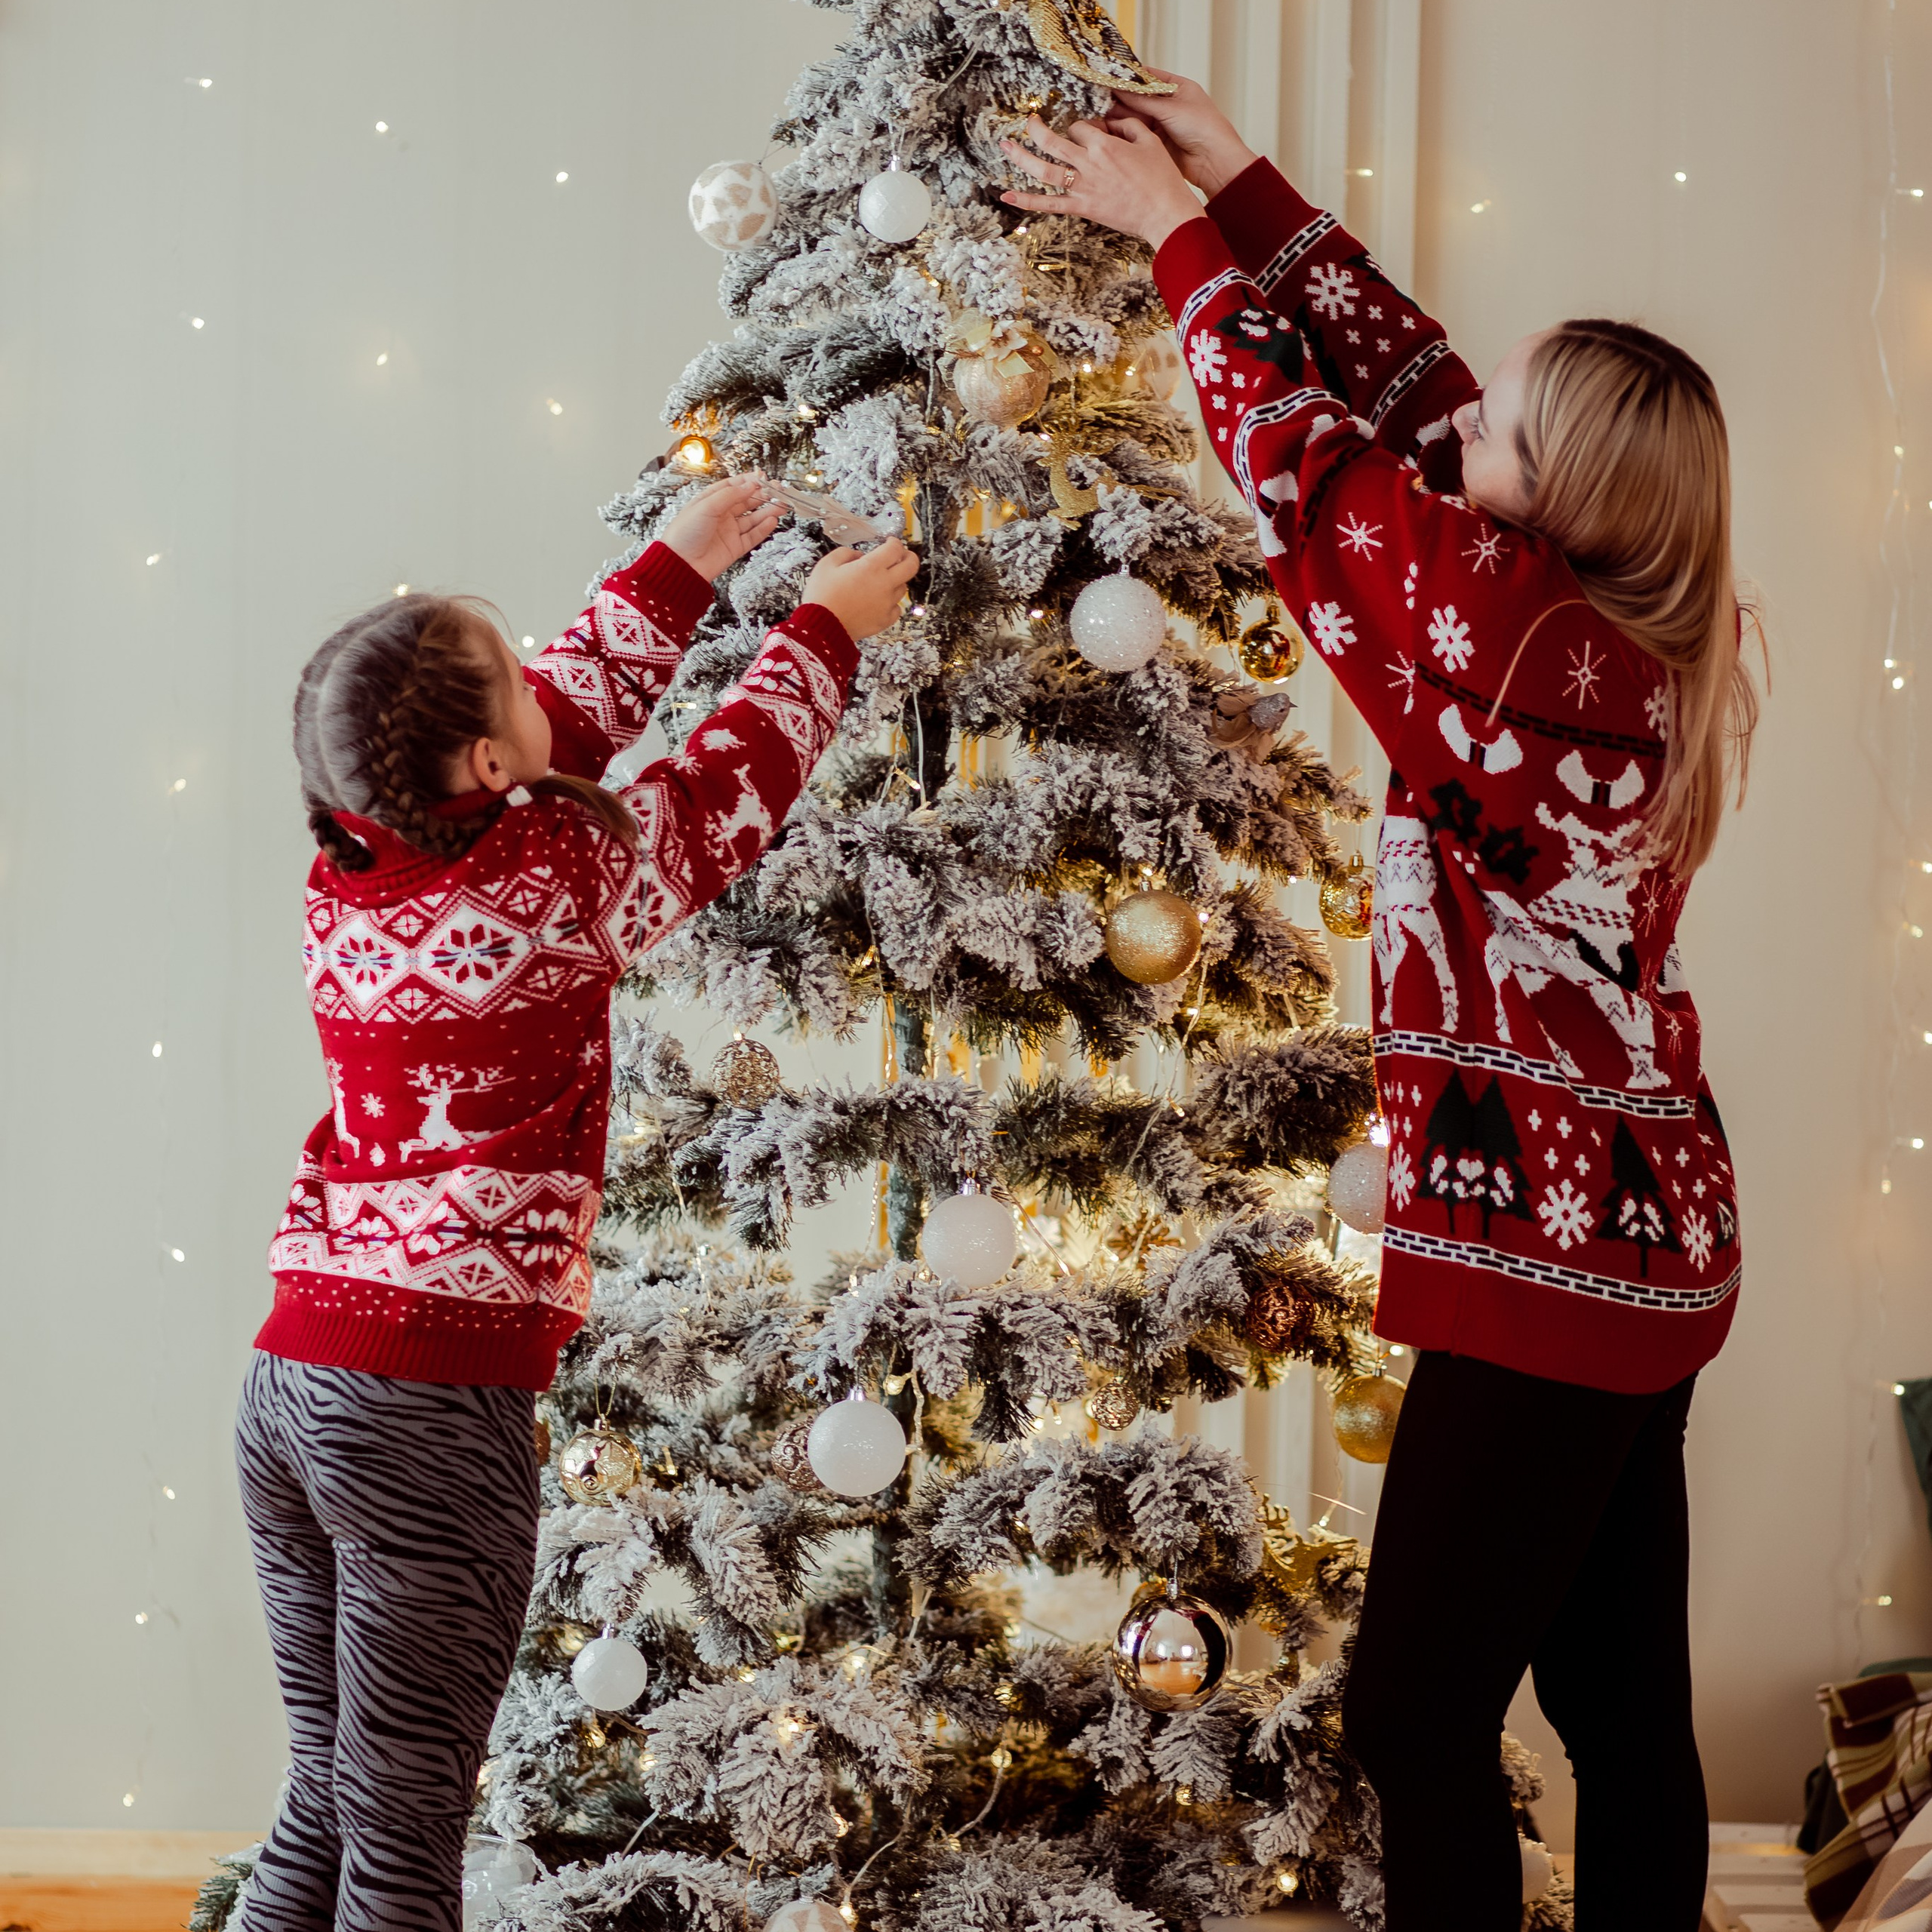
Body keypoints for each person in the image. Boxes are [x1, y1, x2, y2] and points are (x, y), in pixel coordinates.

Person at [1002, 75, 1758, 1932]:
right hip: (1639, 1245)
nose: (1461, 421)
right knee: (1613, 1706)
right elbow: (1420, 395)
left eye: (1503, 430)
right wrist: (1238, 187)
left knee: (1414, 1707)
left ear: (1551, 497)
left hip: (1544, 1270)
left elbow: (1314, 470)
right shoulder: (1626, 632)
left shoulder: (1507, 642)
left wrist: (1164, 232)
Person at [238, 475, 917, 1932]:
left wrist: (678, 567)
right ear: (487, 768)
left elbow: (551, 723)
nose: (541, 693)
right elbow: (710, 794)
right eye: (508, 691)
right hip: (427, 1408)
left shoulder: (350, 869)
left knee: (331, 1788)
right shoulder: (558, 884)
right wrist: (823, 631)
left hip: (291, 1385)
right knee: (407, 1835)